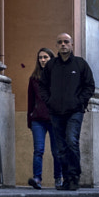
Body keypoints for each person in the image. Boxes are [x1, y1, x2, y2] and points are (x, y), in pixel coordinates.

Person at [43, 32, 97, 190]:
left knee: (71, 141)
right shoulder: (51, 66)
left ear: (72, 44)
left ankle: (74, 177)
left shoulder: (80, 64)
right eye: (59, 42)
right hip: (56, 112)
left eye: (66, 42)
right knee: (61, 148)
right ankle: (66, 179)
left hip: (75, 111)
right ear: (56, 45)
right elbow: (43, 86)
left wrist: (79, 102)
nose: (63, 45)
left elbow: (90, 86)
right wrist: (49, 101)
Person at [26, 48, 55, 188]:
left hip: (55, 119)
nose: (42, 60)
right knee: (38, 150)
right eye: (40, 57)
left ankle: (59, 179)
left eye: (45, 57)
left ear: (51, 58)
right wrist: (29, 120)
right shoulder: (34, 78)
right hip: (38, 119)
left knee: (57, 151)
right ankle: (37, 179)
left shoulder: (57, 76)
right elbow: (30, 101)